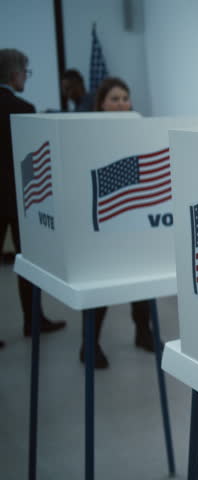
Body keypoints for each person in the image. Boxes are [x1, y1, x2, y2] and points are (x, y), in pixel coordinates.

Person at [80, 76, 153, 369]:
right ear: (101, 104)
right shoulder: (87, 134)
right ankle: (89, 343)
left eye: (126, 98)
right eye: (115, 99)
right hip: (102, 222)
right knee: (102, 283)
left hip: (136, 219)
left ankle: (144, 332)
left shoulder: (142, 131)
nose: (122, 104)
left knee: (142, 278)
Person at [0, 49, 67, 348]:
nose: (25, 77)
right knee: (28, 262)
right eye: (26, 72)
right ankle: (32, 320)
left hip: (14, 199)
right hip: (18, 199)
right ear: (16, 74)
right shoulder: (22, 107)